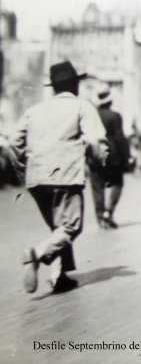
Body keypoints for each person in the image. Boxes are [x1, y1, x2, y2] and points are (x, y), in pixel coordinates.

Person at [10, 61, 108, 294]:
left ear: (54, 87)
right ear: (75, 84)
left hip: (36, 177)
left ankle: (59, 276)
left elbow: (14, 143)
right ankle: (35, 254)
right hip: (66, 175)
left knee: (57, 227)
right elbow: (95, 141)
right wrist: (100, 163)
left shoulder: (34, 110)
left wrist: (22, 170)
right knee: (70, 228)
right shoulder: (81, 107)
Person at [89, 88, 130, 229]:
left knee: (97, 187)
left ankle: (100, 217)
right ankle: (109, 212)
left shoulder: (92, 115)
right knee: (117, 183)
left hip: (95, 155)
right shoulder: (115, 116)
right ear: (110, 101)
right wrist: (127, 156)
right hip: (113, 156)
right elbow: (119, 137)